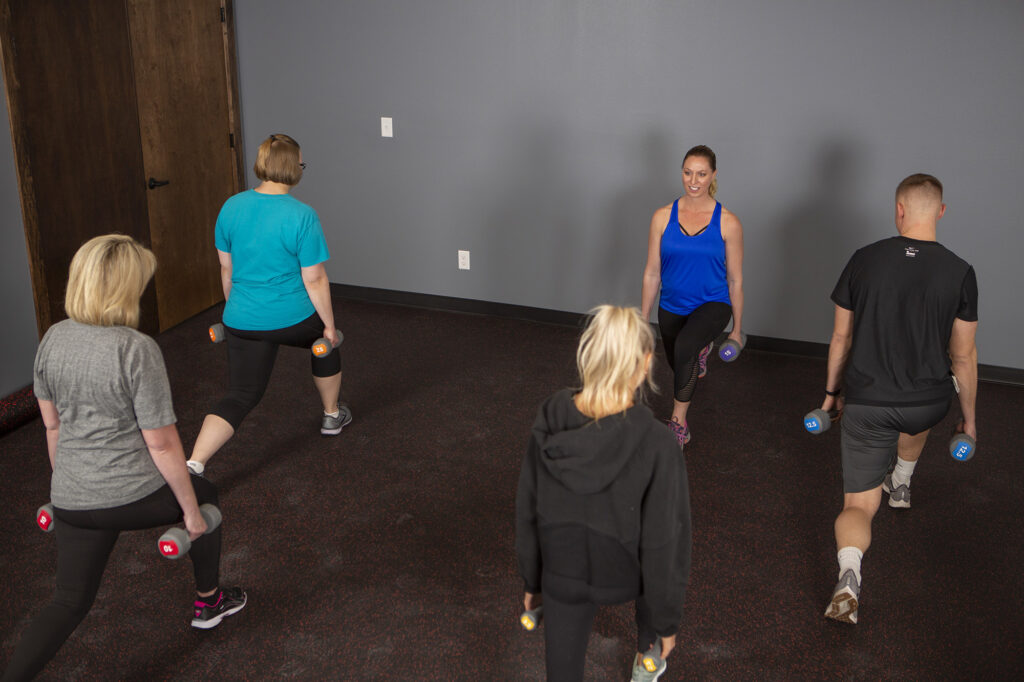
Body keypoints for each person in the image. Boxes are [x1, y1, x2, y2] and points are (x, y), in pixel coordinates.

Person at [3, 235, 246, 682]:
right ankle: (209, 601)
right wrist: (192, 515)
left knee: (67, 602)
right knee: (206, 492)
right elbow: (162, 445)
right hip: (135, 498)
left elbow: (52, 427)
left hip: (72, 500)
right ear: (123, 289)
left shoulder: (52, 339)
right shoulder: (135, 348)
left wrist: (65, 493)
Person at [820, 174, 978, 624]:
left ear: (899, 210)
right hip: (928, 401)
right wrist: (969, 420)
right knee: (919, 406)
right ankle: (903, 480)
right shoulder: (960, 271)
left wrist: (831, 396)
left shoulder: (864, 259)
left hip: (867, 402)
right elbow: (963, 357)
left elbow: (839, 336)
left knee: (857, 506)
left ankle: (850, 573)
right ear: (941, 212)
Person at [515, 305, 692, 682]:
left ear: (588, 355)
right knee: (652, 554)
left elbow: (528, 507)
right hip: (624, 571)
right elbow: (666, 541)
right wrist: (666, 622)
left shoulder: (550, 415)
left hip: (562, 568)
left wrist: (533, 582)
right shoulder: (659, 443)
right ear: (645, 365)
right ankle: (648, 652)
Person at [186, 134, 348, 476]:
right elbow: (315, 279)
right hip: (293, 321)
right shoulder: (303, 215)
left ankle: (194, 463)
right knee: (326, 342)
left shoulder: (231, 206)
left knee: (240, 394)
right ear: (293, 169)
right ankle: (332, 416)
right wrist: (330, 328)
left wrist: (234, 314)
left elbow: (226, 269)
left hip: (241, 319)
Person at [640, 145, 744, 448]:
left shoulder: (728, 222)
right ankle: (700, 351)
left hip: (713, 302)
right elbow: (651, 272)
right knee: (678, 363)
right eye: (688, 172)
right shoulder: (662, 217)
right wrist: (643, 320)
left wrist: (737, 329)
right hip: (672, 303)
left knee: (685, 347)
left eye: (701, 174)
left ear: (713, 175)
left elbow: (735, 279)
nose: (693, 180)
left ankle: (678, 424)